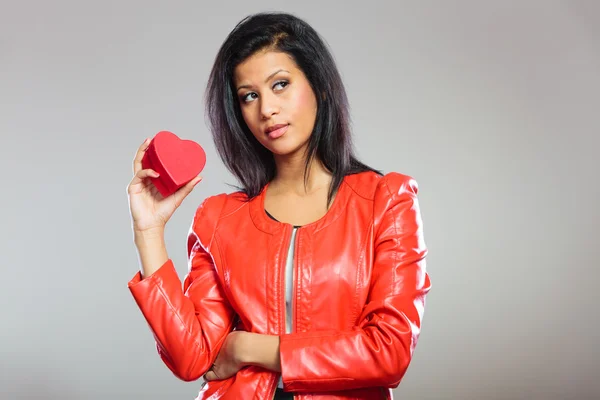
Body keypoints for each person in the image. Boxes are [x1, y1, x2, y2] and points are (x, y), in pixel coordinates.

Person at [126, 11, 431, 400]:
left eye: (280, 85)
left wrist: (248, 348)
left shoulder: (385, 201)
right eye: (249, 95)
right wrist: (148, 232)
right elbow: (192, 358)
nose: (266, 109)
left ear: (319, 87)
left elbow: (389, 351)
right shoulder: (220, 217)